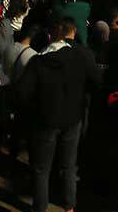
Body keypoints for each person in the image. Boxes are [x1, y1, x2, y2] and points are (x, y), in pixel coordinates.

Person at [16, 17, 100, 212]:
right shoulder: (79, 58)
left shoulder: (38, 62)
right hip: (72, 119)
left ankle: (40, 208)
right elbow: (95, 82)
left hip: (45, 121)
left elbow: (22, 93)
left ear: (50, 36)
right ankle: (70, 207)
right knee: (69, 167)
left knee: (41, 169)